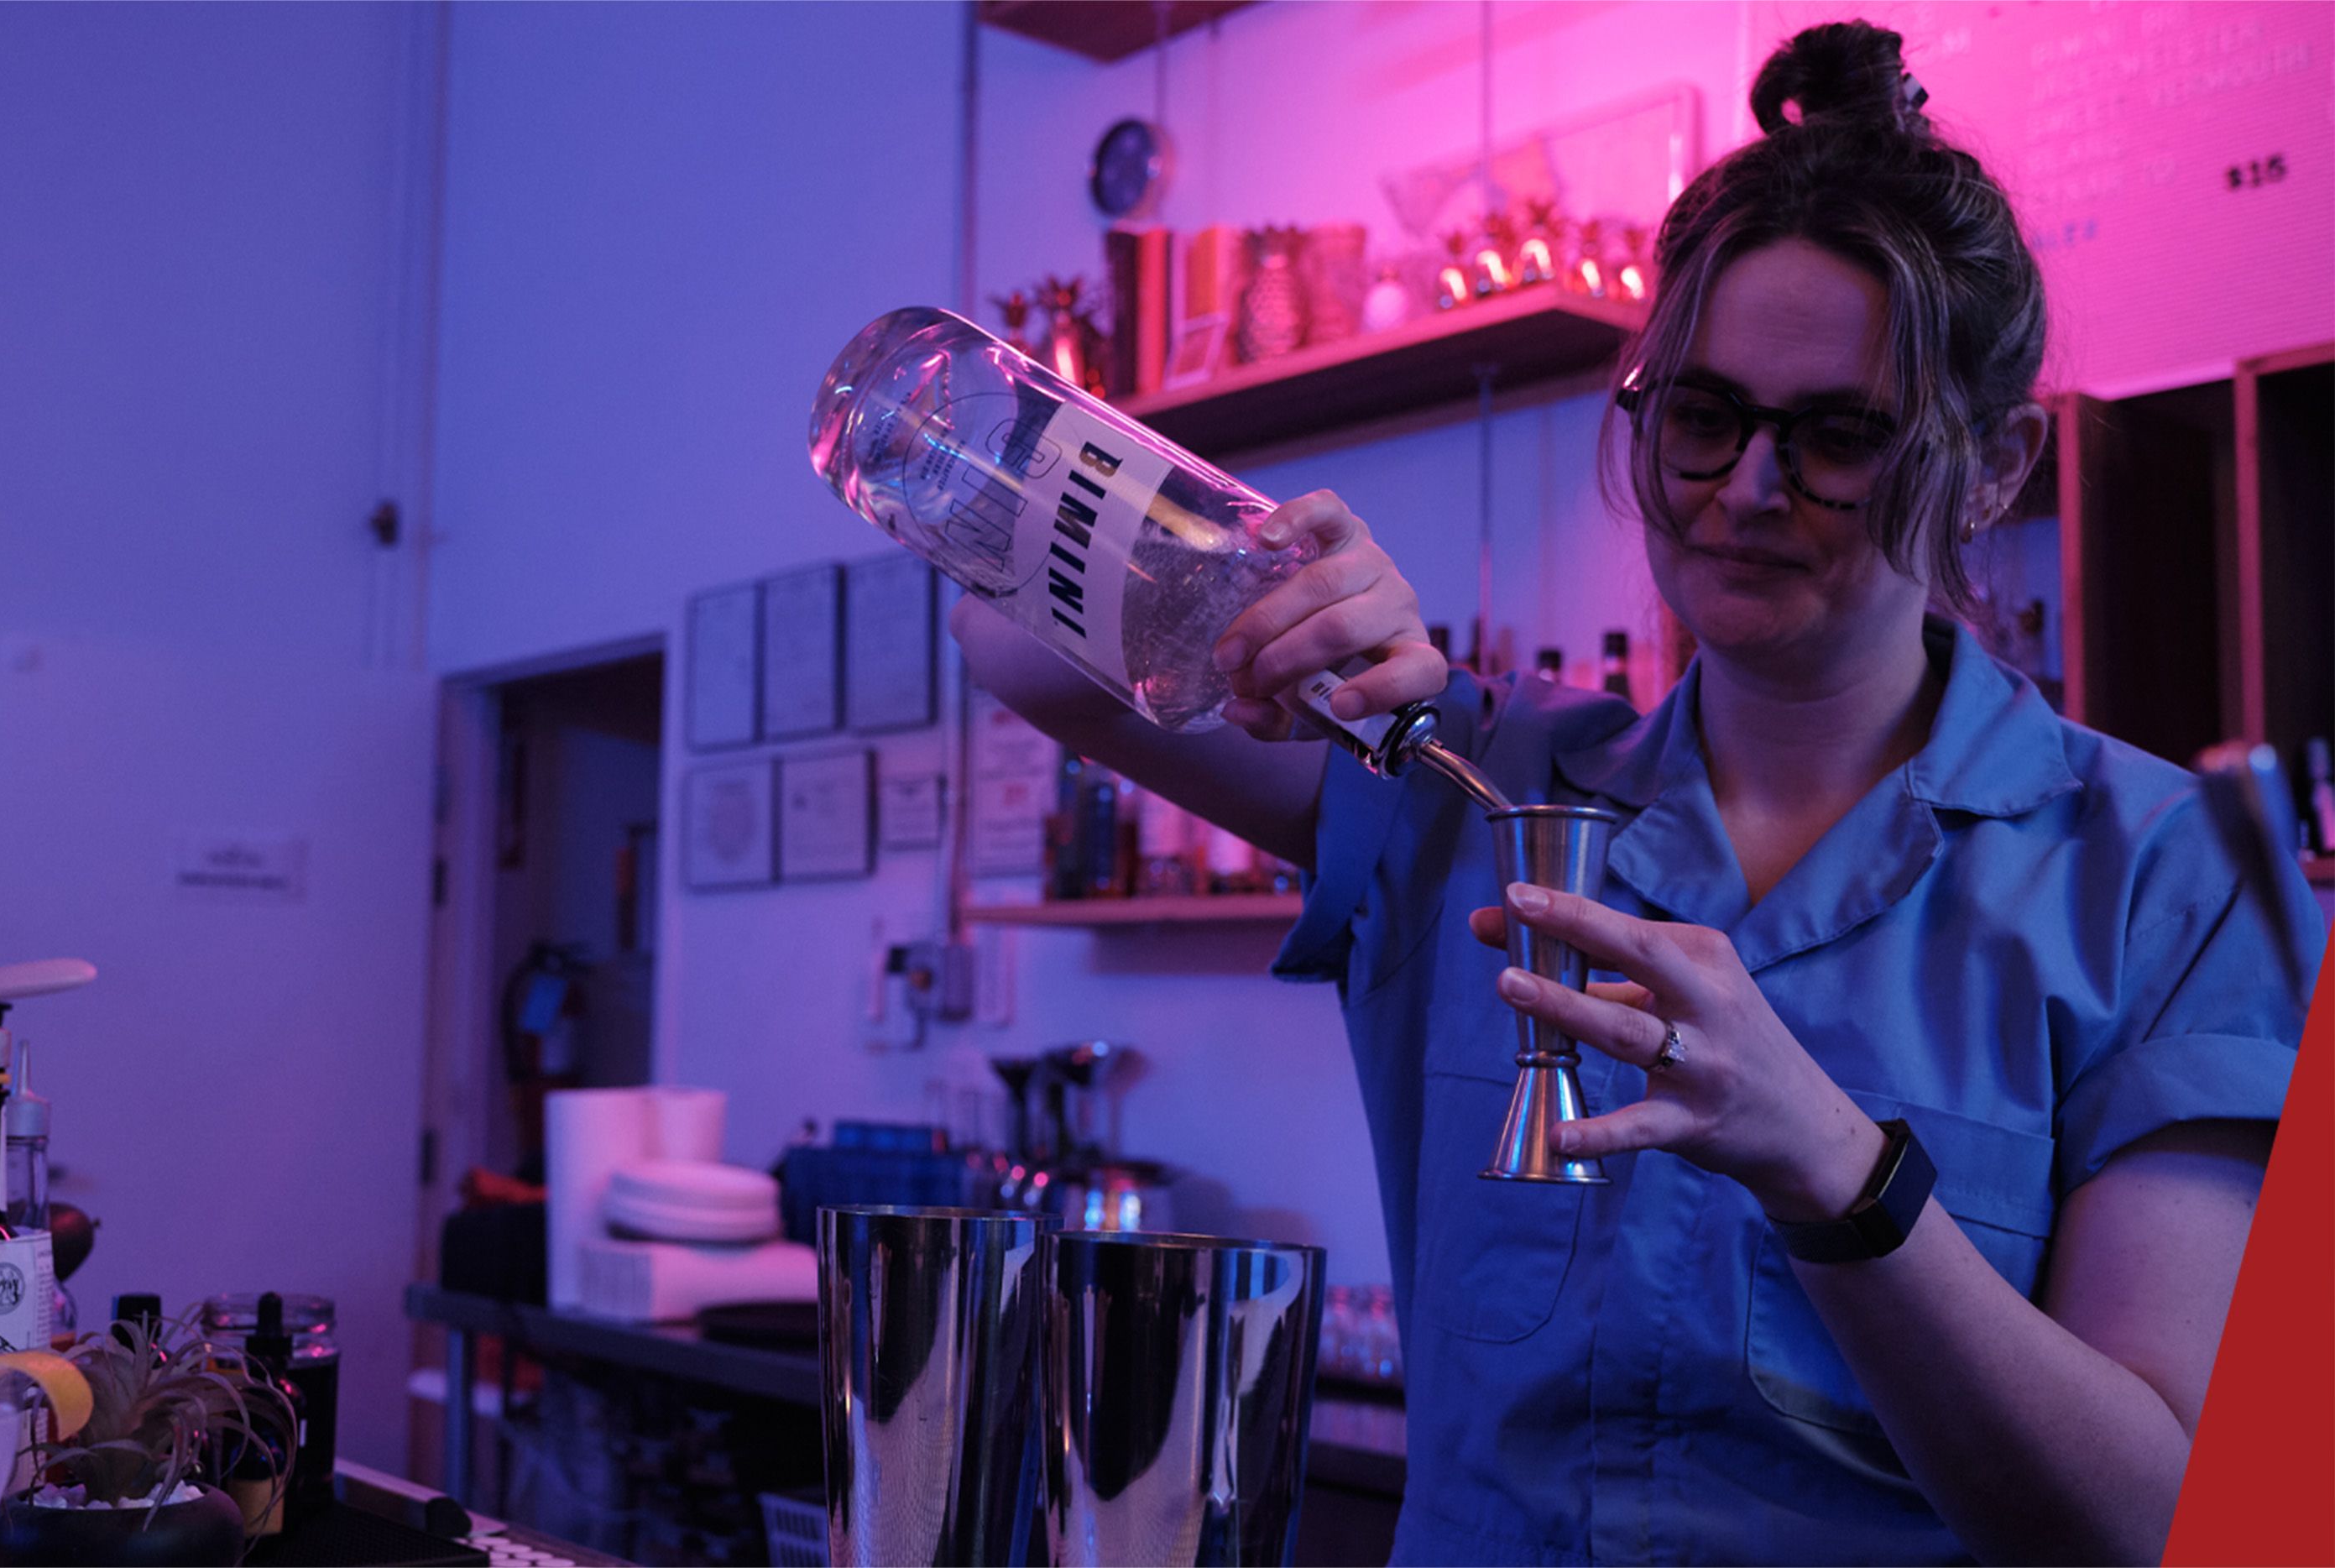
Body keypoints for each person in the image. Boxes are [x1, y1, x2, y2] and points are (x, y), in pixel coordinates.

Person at [957, 23, 2312, 1565]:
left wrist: (1832, 1168)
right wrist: (1252, 571)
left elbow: (2159, 1523)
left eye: (1838, 437)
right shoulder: (1471, 779)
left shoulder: (2162, 875)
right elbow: (1009, 629)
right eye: (1704, 415)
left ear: (1994, 465)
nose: (1744, 488)